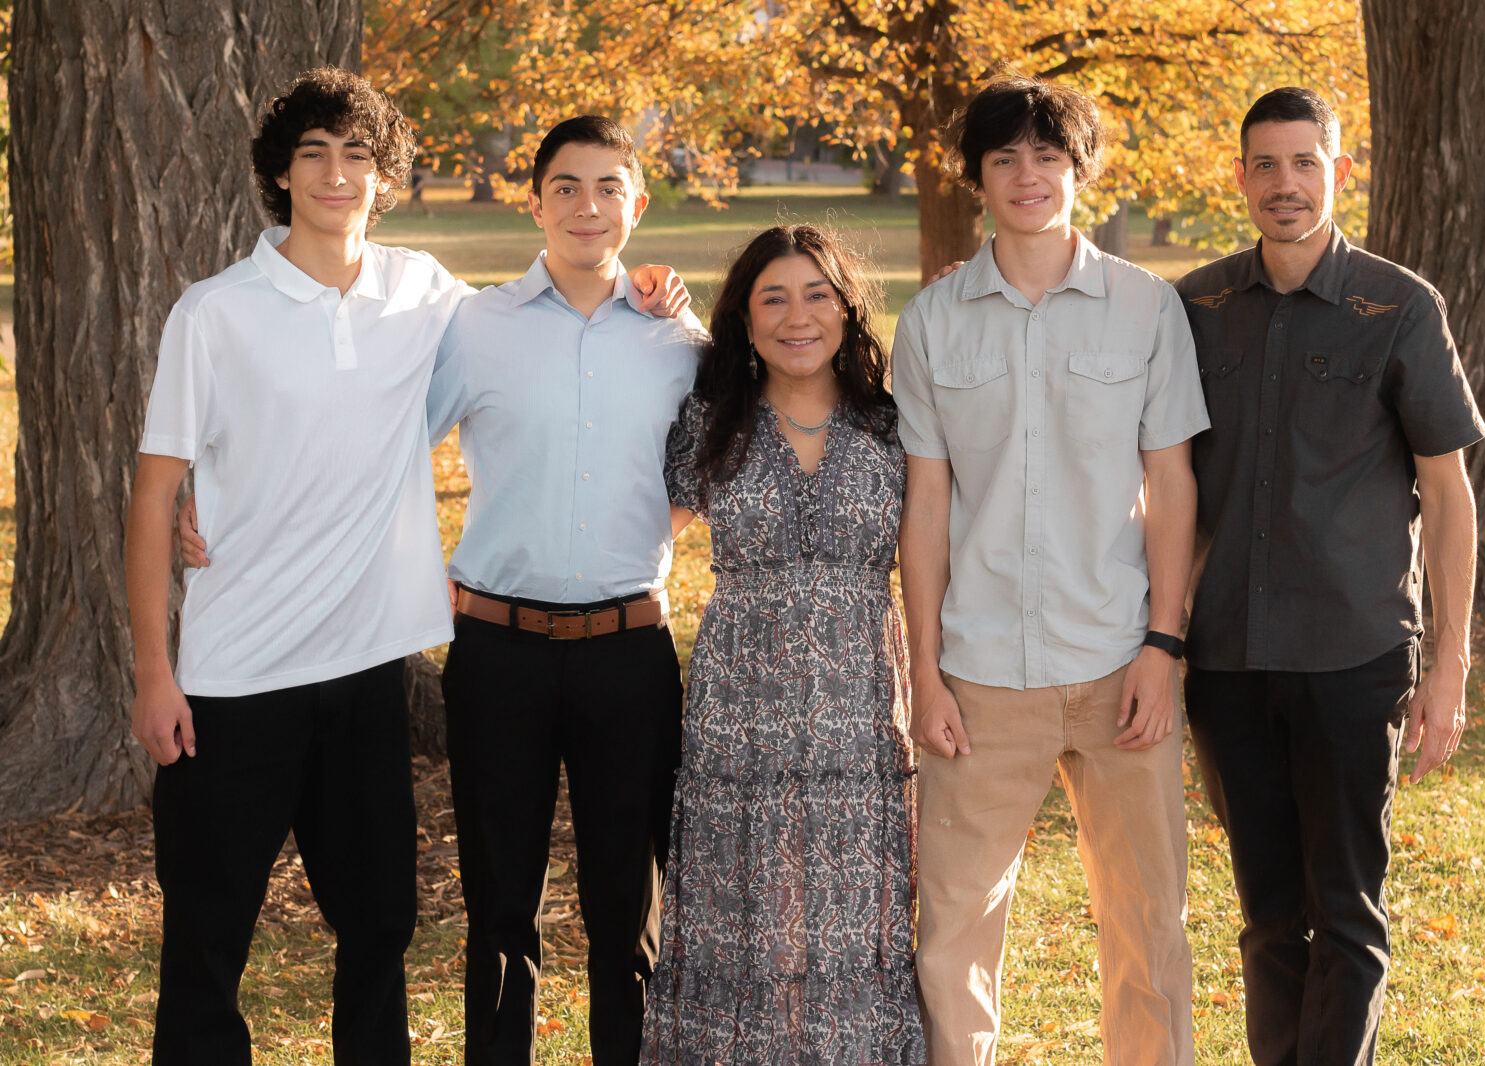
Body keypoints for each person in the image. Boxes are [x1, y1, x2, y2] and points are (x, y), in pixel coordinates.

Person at [126, 67, 469, 1065]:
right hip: (232, 682)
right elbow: (156, 493)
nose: (335, 173)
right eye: (313, 153)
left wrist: (648, 294)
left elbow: (535, 330)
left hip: (365, 679)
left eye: (356, 154)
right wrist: (156, 671)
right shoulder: (215, 312)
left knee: (380, 932)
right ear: (281, 172)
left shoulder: (425, 294)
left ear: (384, 176)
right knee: (205, 944)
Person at [893, 75, 1208, 1066]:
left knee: (1149, 925)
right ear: (977, 178)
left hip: (1119, 664)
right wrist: (926, 673)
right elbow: (926, 507)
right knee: (950, 938)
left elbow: (1171, 484)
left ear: (1080, 169)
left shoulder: (1146, 308)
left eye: (1047, 155)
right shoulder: (932, 320)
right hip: (979, 681)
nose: (1027, 176)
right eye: (1004, 159)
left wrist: (1163, 644)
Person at [1175, 86, 1485, 1066]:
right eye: (1264, 164)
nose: (1284, 183)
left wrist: (1449, 667)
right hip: (1225, 659)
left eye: (1304, 161)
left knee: (1345, 910)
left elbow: (1448, 496)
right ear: (1240, 177)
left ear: (1337, 170)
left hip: (1352, 655)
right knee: (1268, 914)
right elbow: (1164, 484)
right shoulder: (1194, 307)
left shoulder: (1398, 307)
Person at [423, 115, 702, 1066]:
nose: (589, 206)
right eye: (568, 187)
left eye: (610, 187)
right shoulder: (475, 325)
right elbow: (379, 452)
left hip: (630, 655)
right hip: (499, 654)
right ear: (534, 200)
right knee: (501, 905)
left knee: (627, 906)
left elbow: (716, 470)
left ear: (637, 203)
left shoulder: (679, 339)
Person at [639, 225, 924, 1064]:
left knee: (852, 919)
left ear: (847, 309)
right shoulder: (710, 421)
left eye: (817, 296)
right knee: (746, 915)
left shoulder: (895, 422)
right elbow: (632, 538)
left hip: (861, 708)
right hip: (740, 715)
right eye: (773, 298)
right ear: (745, 317)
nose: (797, 317)